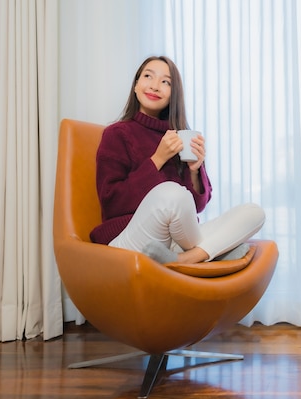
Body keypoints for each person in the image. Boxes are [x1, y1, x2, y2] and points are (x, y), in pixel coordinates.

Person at [89, 55, 265, 264]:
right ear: (136, 85)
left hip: (174, 244)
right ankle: (212, 252)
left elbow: (196, 207)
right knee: (172, 193)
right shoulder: (117, 134)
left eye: (166, 82)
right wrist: (157, 159)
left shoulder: (182, 137)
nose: (155, 86)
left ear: (173, 94)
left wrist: (194, 170)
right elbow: (112, 203)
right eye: (148, 76)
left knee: (254, 213)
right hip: (130, 239)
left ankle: (184, 258)